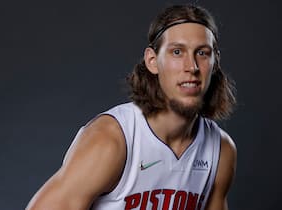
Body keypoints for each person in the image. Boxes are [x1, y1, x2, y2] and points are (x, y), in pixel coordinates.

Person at [26, 4, 237, 210]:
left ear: (215, 62)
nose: (191, 67)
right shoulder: (112, 139)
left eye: (202, 53)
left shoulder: (220, 150)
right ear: (152, 61)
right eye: (177, 52)